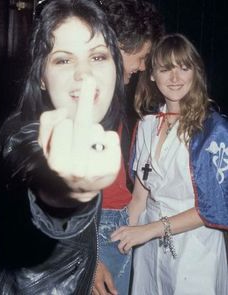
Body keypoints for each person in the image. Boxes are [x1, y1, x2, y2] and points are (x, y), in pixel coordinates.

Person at [0, 0, 125, 294]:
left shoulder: (91, 129)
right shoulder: (21, 135)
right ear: (41, 76)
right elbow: (37, 182)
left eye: (98, 57)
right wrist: (66, 191)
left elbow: (68, 241)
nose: (84, 73)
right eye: (64, 60)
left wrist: (91, 264)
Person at [111, 33, 228, 294]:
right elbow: (139, 199)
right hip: (149, 247)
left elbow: (212, 208)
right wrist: (113, 241)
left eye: (183, 68)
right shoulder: (146, 125)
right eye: (165, 69)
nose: (175, 78)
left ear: (195, 72)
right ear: (152, 74)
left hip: (195, 249)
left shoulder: (213, 130)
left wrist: (150, 230)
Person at [92, 1, 165, 294]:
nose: (144, 66)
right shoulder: (90, 96)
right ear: (121, 45)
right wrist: (90, 258)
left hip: (118, 220)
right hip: (98, 226)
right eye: (143, 56)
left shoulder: (114, 93)